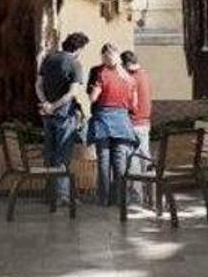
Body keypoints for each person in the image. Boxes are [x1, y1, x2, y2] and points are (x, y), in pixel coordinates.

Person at [36, 32, 90, 207]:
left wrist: (45, 103)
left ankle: (49, 195)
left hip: (47, 115)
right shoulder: (75, 64)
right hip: (64, 116)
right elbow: (72, 93)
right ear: (79, 48)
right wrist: (55, 106)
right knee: (62, 156)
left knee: (50, 154)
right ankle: (62, 196)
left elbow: (38, 84)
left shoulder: (49, 59)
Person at [87, 43, 138, 207]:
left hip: (103, 120)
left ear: (104, 57)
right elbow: (134, 105)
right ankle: (120, 199)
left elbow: (93, 98)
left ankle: (104, 199)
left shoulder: (101, 74)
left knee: (103, 161)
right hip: (122, 121)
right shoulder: (129, 78)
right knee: (120, 162)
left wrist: (94, 90)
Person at [121, 50, 152, 205]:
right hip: (145, 123)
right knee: (145, 158)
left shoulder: (130, 77)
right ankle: (150, 194)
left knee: (132, 159)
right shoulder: (145, 74)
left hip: (133, 123)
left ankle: (136, 196)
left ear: (126, 65)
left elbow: (129, 102)